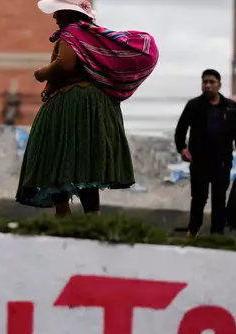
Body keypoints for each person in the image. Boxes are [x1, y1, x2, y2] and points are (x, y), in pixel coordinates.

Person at [15, 0, 158, 216]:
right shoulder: (87, 35)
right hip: (91, 106)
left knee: (57, 159)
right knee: (86, 162)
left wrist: (42, 73)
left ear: (67, 14)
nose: (54, 17)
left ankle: (64, 217)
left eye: (58, 13)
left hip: (73, 105)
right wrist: (50, 86)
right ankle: (92, 217)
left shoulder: (71, 33)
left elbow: (65, 64)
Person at [174, 69, 236, 236]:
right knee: (198, 200)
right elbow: (181, 130)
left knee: (219, 200)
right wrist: (182, 148)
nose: (207, 85)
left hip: (222, 163)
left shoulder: (230, 108)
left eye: (211, 82)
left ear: (219, 85)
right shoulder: (194, 106)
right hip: (199, 161)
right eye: (205, 82)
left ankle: (217, 236)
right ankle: (193, 232)